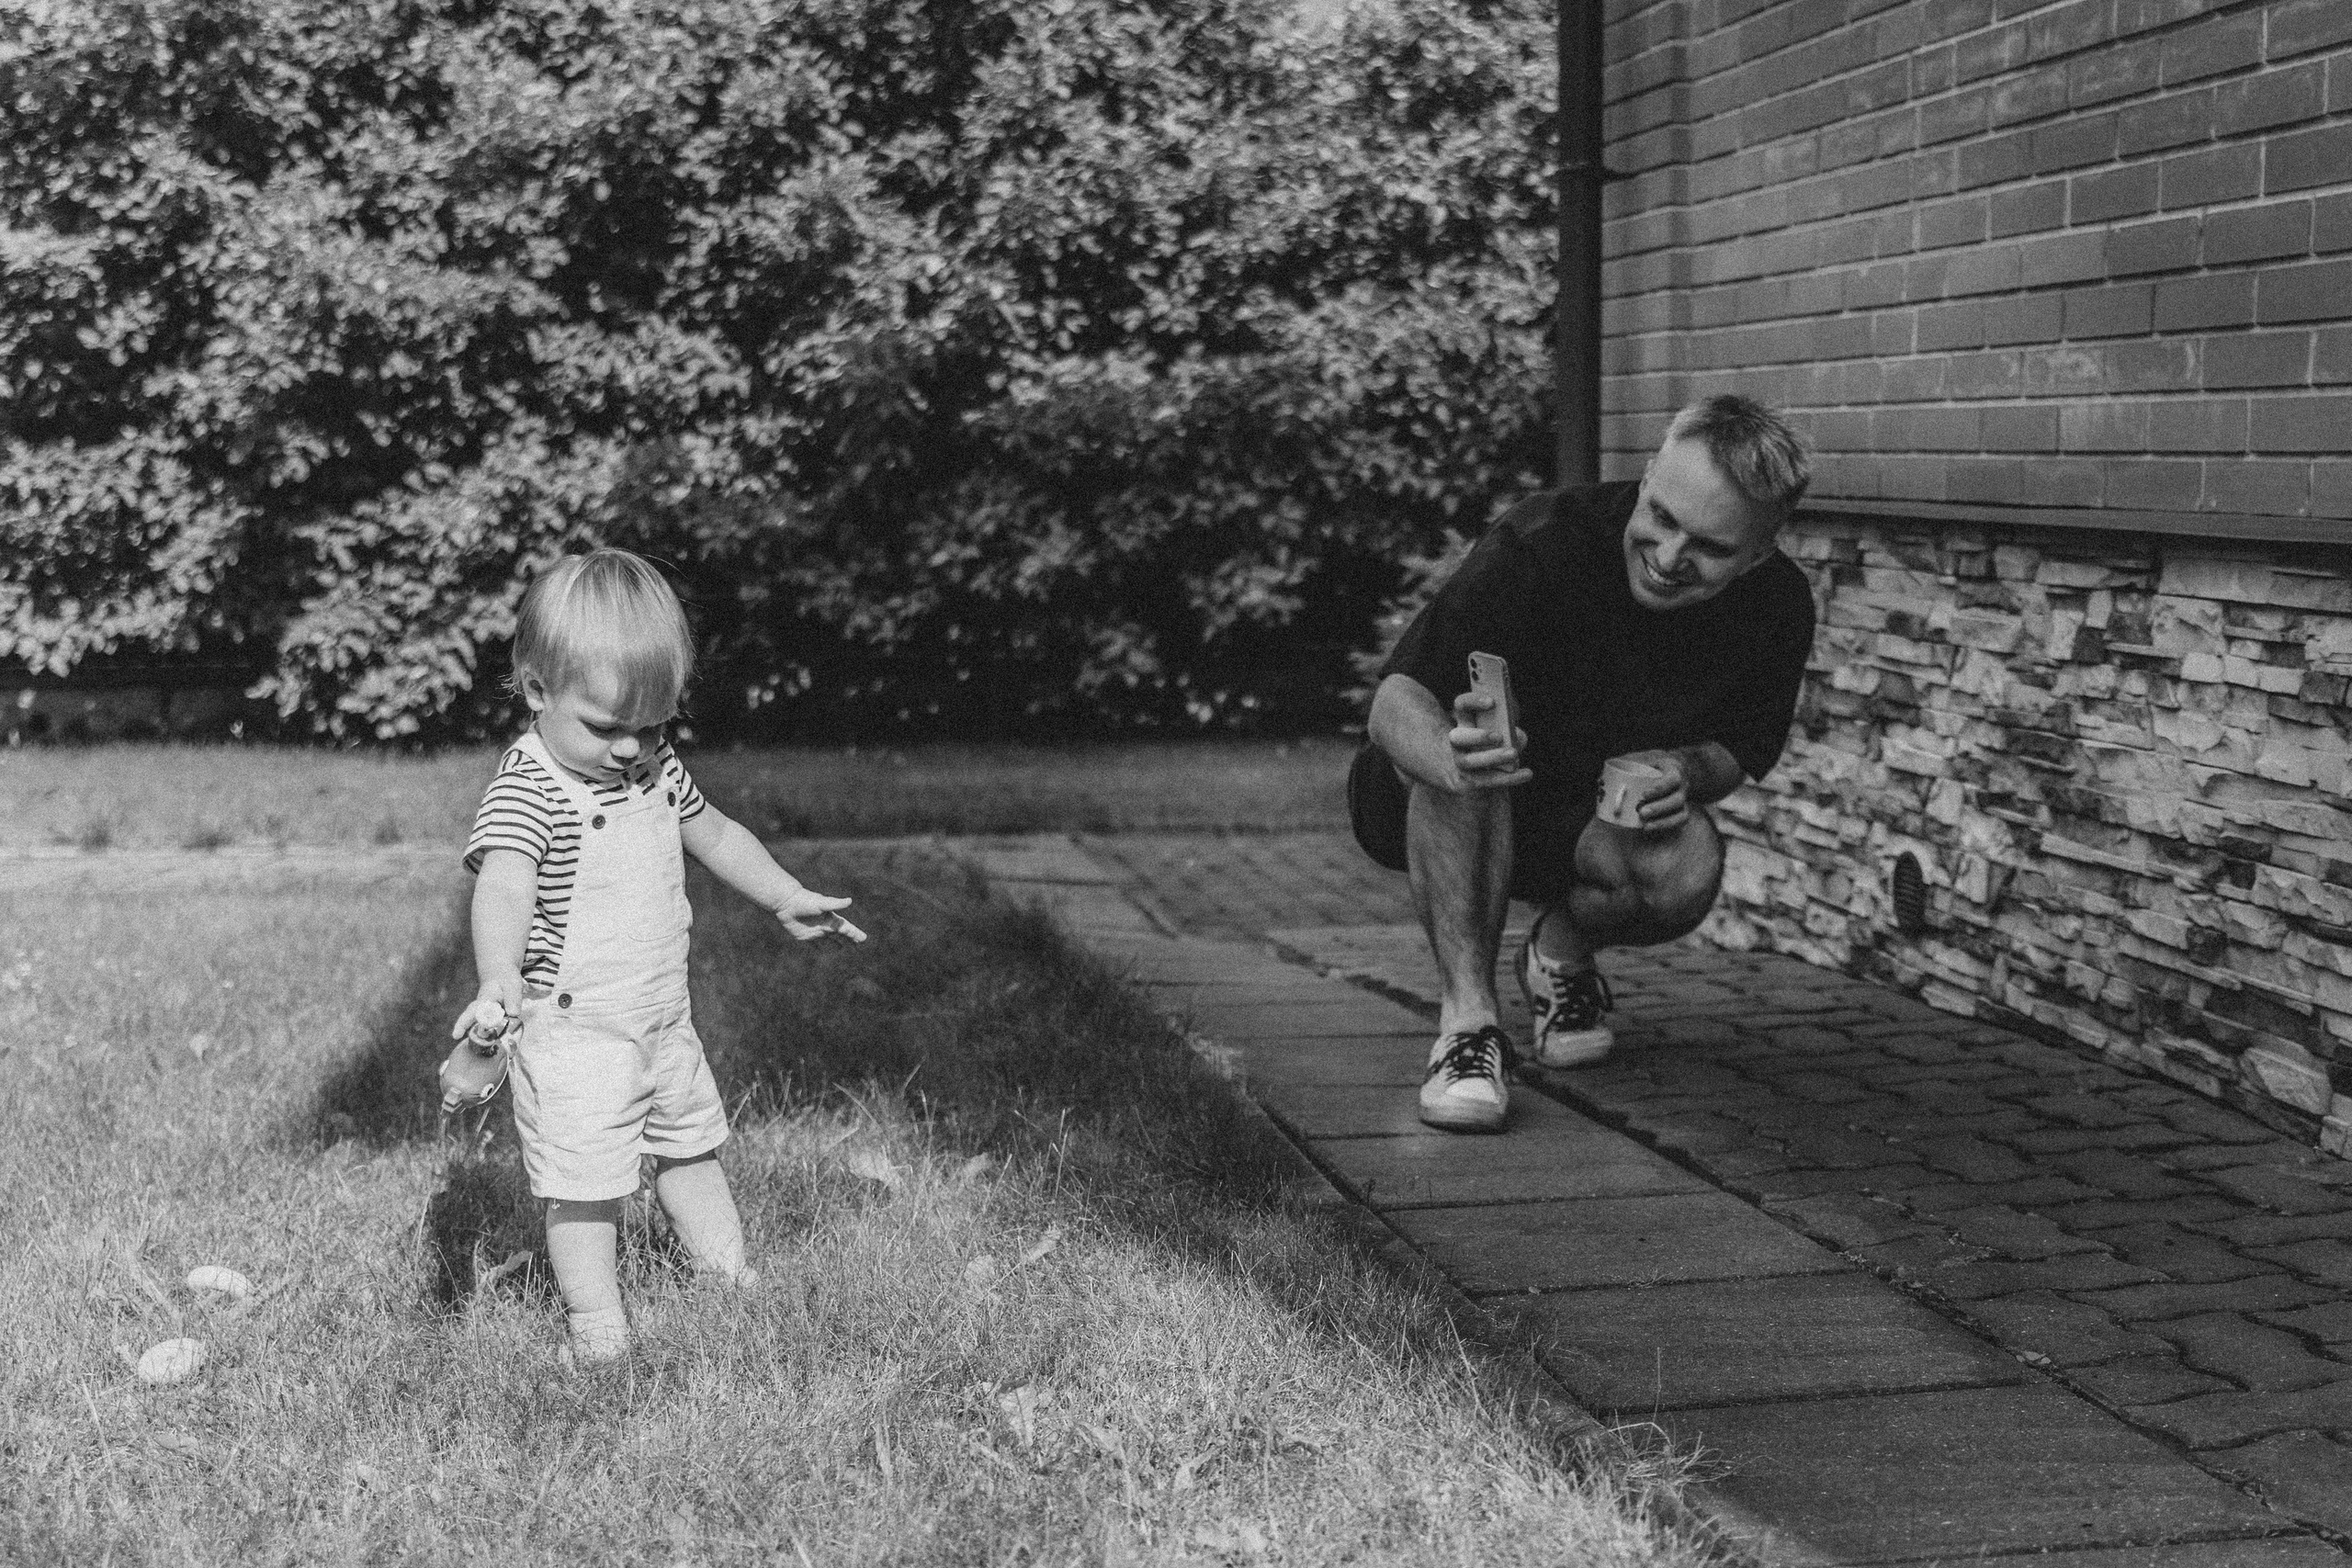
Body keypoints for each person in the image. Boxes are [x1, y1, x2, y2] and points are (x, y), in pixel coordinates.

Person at [1350, 395, 1815, 1133]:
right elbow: (1394, 704)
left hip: (1580, 822)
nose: (1667, 559)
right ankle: (1468, 1030)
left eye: (1709, 548)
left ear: (1759, 553)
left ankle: (1559, 957)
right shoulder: (1541, 542)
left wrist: (1686, 773)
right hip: (1439, 800)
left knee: (1689, 863)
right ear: (1648, 472)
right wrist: (1447, 754)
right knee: (1469, 753)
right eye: (1660, 516)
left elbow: (1739, 749)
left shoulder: (1779, 606)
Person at [449, 547, 866, 1364]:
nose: (630, 748)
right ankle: (596, 1322)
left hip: (662, 1019)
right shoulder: (530, 786)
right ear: (537, 690)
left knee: (691, 1148)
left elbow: (713, 833)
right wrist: (497, 975)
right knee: (587, 1186)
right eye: (606, 727)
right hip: (576, 1032)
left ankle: (730, 1277)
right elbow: (502, 885)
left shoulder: (655, 768)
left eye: (651, 726)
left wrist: (783, 893)